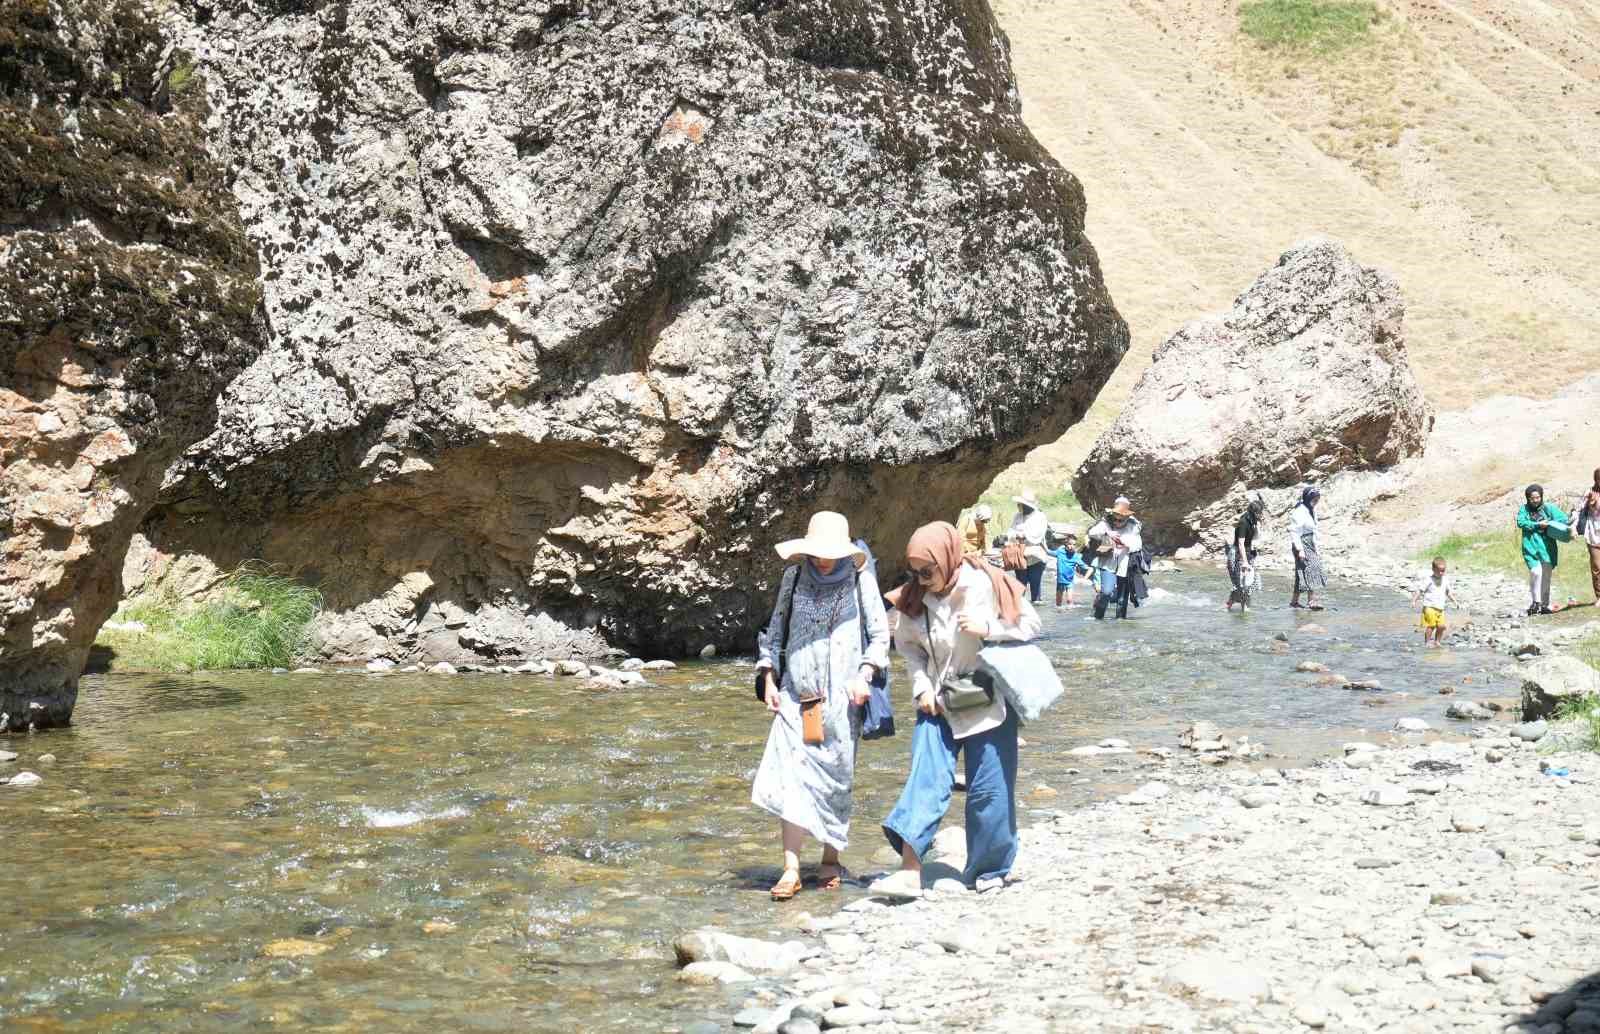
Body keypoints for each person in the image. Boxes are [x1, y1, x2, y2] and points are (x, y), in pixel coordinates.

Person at [874, 522, 1041, 896]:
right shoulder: (913, 599)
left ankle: (989, 869)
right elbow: (909, 652)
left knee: (989, 788)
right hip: (937, 702)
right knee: (925, 780)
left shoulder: (987, 583)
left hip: (988, 698)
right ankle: (910, 870)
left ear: (947, 558)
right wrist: (921, 689)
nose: (920, 579)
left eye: (927, 571)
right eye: (913, 571)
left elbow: (1031, 624)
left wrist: (990, 627)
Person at [753, 511, 890, 900]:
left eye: (830, 553)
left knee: (837, 780)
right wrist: (768, 677)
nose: (823, 560)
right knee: (790, 779)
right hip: (796, 696)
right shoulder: (793, 577)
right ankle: (791, 868)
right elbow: (776, 627)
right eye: (817, 552)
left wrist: (864, 675)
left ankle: (830, 858)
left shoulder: (860, 578)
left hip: (843, 701)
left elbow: (880, 635)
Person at [1516, 484, 1572, 616]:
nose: (1535, 500)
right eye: (1532, 498)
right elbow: (1521, 522)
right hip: (1530, 546)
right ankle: (1536, 603)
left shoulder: (1549, 508)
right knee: (1536, 572)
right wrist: (1537, 524)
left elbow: (1563, 520)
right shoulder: (1524, 509)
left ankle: (1545, 605)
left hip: (1547, 547)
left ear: (1541, 497)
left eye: (1537, 497)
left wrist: (1552, 523)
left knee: (1546, 576)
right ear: (1528, 498)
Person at [1085, 497, 1144, 620]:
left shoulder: (1134, 525)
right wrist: (1108, 533)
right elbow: (1092, 533)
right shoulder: (1106, 521)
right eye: (1116, 518)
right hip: (1108, 563)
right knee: (1106, 592)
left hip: (1126, 564)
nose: (1117, 521)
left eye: (1120, 519)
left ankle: (1120, 624)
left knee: (1122, 599)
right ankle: (1098, 617)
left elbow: (1137, 545)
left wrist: (1124, 542)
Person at [1007, 491, 1050, 604]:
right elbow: (1010, 532)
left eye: (1020, 504)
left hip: (1036, 557)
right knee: (1020, 586)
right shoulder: (1017, 516)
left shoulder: (1040, 517)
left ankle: (1036, 609)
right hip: (1020, 556)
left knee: (1035, 586)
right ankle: (1019, 611)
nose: (1018, 506)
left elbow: (1037, 536)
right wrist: (1014, 536)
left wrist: (1023, 535)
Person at [1289, 487, 1327, 610]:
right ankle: (1312, 601)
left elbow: (1314, 530)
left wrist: (1316, 546)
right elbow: (1294, 532)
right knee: (1312, 569)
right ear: (1308, 498)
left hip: (1310, 542)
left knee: (1301, 573)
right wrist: (1300, 550)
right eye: (1314, 499)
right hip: (1301, 543)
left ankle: (1294, 602)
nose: (1316, 502)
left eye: (1317, 499)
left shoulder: (1311, 510)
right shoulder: (1299, 511)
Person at [1226, 495, 1265, 612]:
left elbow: (1256, 537)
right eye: (1260, 513)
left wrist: (1258, 527)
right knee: (1243, 585)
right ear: (1254, 512)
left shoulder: (1253, 521)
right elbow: (1241, 543)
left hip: (1248, 553)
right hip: (1238, 554)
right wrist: (1245, 562)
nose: (1261, 515)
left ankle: (1230, 604)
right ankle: (1245, 611)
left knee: (1250, 583)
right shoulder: (1243, 522)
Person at [1411, 556, 1459, 647]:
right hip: (1429, 607)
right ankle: (1427, 642)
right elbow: (1420, 591)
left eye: (1443, 571)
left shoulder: (1445, 580)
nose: (1441, 573)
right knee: (1431, 625)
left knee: (1441, 626)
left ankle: (1437, 641)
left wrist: (1455, 602)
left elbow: (1448, 593)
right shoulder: (1429, 580)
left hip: (1440, 608)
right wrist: (1414, 601)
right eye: (1439, 571)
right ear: (1433, 569)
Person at [1579, 470, 1600, 605]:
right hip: (1593, 533)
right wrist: (1588, 501)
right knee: (1597, 565)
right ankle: (1599, 596)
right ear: (1596, 480)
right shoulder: (1589, 492)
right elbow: (1579, 509)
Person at [1052, 532, 1081, 608]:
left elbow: (1084, 566)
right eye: (1070, 544)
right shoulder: (1060, 552)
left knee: (1069, 600)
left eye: (1074, 545)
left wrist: (1085, 576)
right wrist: (1043, 545)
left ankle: (1070, 612)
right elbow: (1049, 552)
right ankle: (1059, 613)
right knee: (1058, 603)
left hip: (1069, 581)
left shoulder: (1076, 556)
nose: (1071, 546)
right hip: (1060, 580)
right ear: (1065, 545)